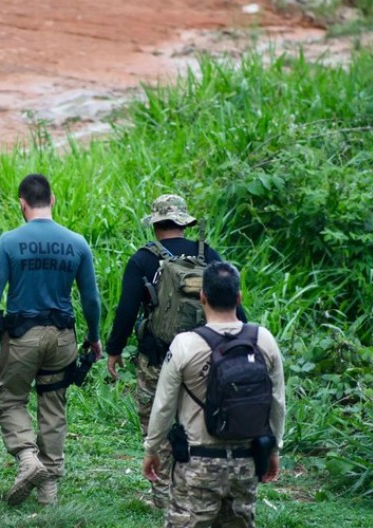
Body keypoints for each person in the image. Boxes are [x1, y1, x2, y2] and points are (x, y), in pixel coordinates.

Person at [105, 193, 245, 508]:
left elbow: (126, 311)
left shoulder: (142, 259)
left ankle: (164, 495)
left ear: (156, 225)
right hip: (206, 357)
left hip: (158, 358)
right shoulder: (207, 254)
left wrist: (114, 352)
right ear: (183, 223)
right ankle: (200, 489)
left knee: (157, 421)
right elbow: (232, 302)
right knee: (198, 423)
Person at [0, 173, 102, 507]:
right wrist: (95, 337)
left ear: (22, 203)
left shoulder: (10, 241)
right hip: (63, 338)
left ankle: (28, 460)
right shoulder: (77, 242)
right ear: (52, 200)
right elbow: (91, 299)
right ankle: (49, 488)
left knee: (8, 398)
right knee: (53, 403)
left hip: (23, 337)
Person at [142, 261, 286, 527]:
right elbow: (277, 403)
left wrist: (152, 449)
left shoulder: (185, 344)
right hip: (246, 462)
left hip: (198, 464)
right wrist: (274, 450)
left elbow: (163, 406)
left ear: (202, 297)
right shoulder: (264, 340)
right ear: (239, 298)